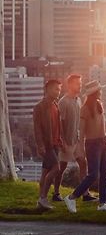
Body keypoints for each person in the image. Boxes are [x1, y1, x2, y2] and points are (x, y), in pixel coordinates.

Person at [64, 80, 106, 213]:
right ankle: (71, 197)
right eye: (100, 90)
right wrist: (80, 149)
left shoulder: (99, 105)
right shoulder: (85, 109)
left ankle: (102, 203)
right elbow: (81, 131)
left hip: (103, 141)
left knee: (104, 174)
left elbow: (101, 125)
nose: (101, 92)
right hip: (92, 144)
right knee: (93, 174)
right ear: (95, 93)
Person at [53, 74, 96, 202]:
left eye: (80, 83)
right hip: (66, 141)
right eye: (77, 83)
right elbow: (59, 123)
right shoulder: (63, 102)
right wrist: (62, 142)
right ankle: (56, 193)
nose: (80, 85)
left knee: (83, 163)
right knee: (61, 168)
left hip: (77, 140)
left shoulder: (79, 100)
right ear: (70, 85)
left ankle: (85, 193)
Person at [33, 79, 63, 210]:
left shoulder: (56, 105)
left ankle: (40, 201)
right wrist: (40, 145)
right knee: (56, 168)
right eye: (56, 89)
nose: (58, 92)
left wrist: (60, 138)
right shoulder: (39, 107)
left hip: (55, 143)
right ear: (48, 89)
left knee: (45, 172)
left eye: (59, 89)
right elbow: (37, 128)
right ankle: (43, 198)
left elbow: (57, 125)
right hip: (47, 145)